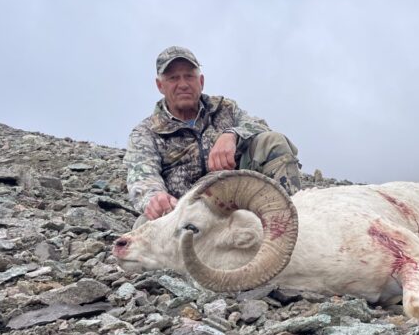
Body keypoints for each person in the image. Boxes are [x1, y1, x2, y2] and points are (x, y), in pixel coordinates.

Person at [124, 46, 301, 224]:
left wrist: (231, 134)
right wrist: (155, 198)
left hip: (239, 204)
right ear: (160, 85)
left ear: (201, 81)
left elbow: (260, 126)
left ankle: (286, 227)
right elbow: (142, 177)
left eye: (189, 76)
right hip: (186, 216)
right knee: (144, 224)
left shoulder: (225, 109)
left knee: (272, 141)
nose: (183, 84)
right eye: (173, 78)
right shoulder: (146, 132)